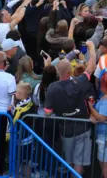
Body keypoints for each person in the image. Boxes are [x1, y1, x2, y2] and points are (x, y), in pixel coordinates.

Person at [44, 41, 97, 175]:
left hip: (65, 129)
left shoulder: (52, 88)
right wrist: (91, 49)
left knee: (71, 161)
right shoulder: (79, 82)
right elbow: (90, 68)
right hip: (82, 128)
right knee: (79, 162)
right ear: (70, 71)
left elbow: (48, 112)